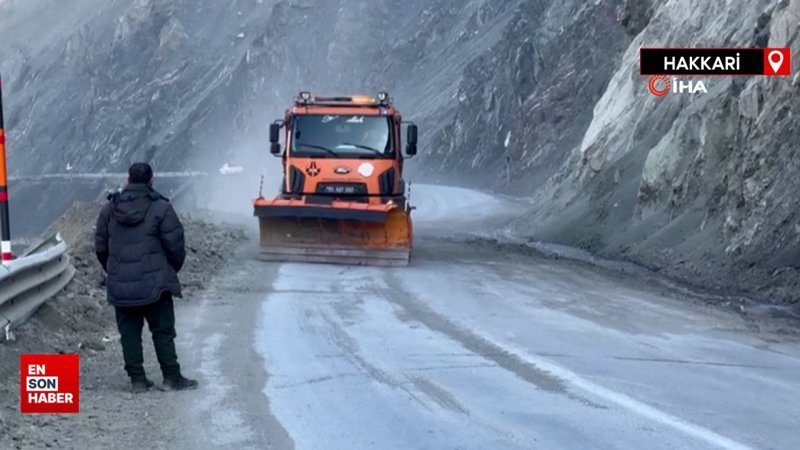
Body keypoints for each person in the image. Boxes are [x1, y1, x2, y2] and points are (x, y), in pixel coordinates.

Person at [95, 162, 198, 393]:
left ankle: (138, 381)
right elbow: (176, 246)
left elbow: (100, 247)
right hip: (156, 284)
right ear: (151, 180)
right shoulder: (161, 208)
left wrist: (115, 270)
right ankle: (171, 378)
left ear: (127, 179)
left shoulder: (109, 210)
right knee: (162, 331)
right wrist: (167, 270)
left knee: (129, 334)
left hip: (121, 285)